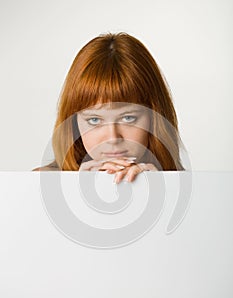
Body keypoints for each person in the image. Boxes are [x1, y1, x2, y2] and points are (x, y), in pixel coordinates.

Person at [33, 32, 185, 184]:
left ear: (155, 118)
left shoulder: (191, 186)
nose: (112, 138)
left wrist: (164, 188)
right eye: (94, 120)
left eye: (128, 118)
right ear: (73, 123)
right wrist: (75, 190)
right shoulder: (38, 183)